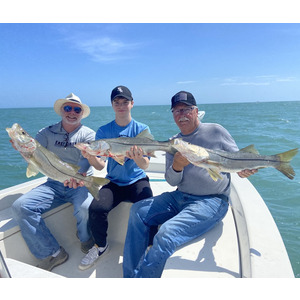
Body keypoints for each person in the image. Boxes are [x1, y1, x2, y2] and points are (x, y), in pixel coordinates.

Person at [123, 91, 258, 278]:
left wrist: (244, 170)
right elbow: (171, 181)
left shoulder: (216, 131)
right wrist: (177, 166)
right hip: (179, 196)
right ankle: (130, 277)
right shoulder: (174, 142)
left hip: (212, 201)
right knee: (138, 211)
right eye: (176, 111)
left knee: (166, 233)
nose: (182, 115)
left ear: (195, 111)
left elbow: (236, 158)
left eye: (186, 109)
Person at [11, 93, 95, 271]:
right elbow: (34, 157)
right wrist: (22, 149)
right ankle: (54, 253)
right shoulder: (45, 132)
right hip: (54, 185)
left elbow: (85, 164)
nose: (72, 112)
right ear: (61, 111)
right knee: (20, 206)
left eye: (76, 109)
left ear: (81, 113)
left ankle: (85, 238)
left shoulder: (89, 135)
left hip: (79, 182)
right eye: (67, 108)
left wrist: (79, 176)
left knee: (85, 208)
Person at [78, 85, 153, 270]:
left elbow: (146, 165)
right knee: (96, 207)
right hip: (114, 182)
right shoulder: (103, 132)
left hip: (137, 179)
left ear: (132, 104)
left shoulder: (142, 129)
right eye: (117, 102)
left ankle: (150, 246)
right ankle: (101, 246)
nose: (121, 106)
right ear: (112, 105)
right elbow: (101, 165)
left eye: (125, 102)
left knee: (148, 207)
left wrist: (138, 158)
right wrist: (91, 156)